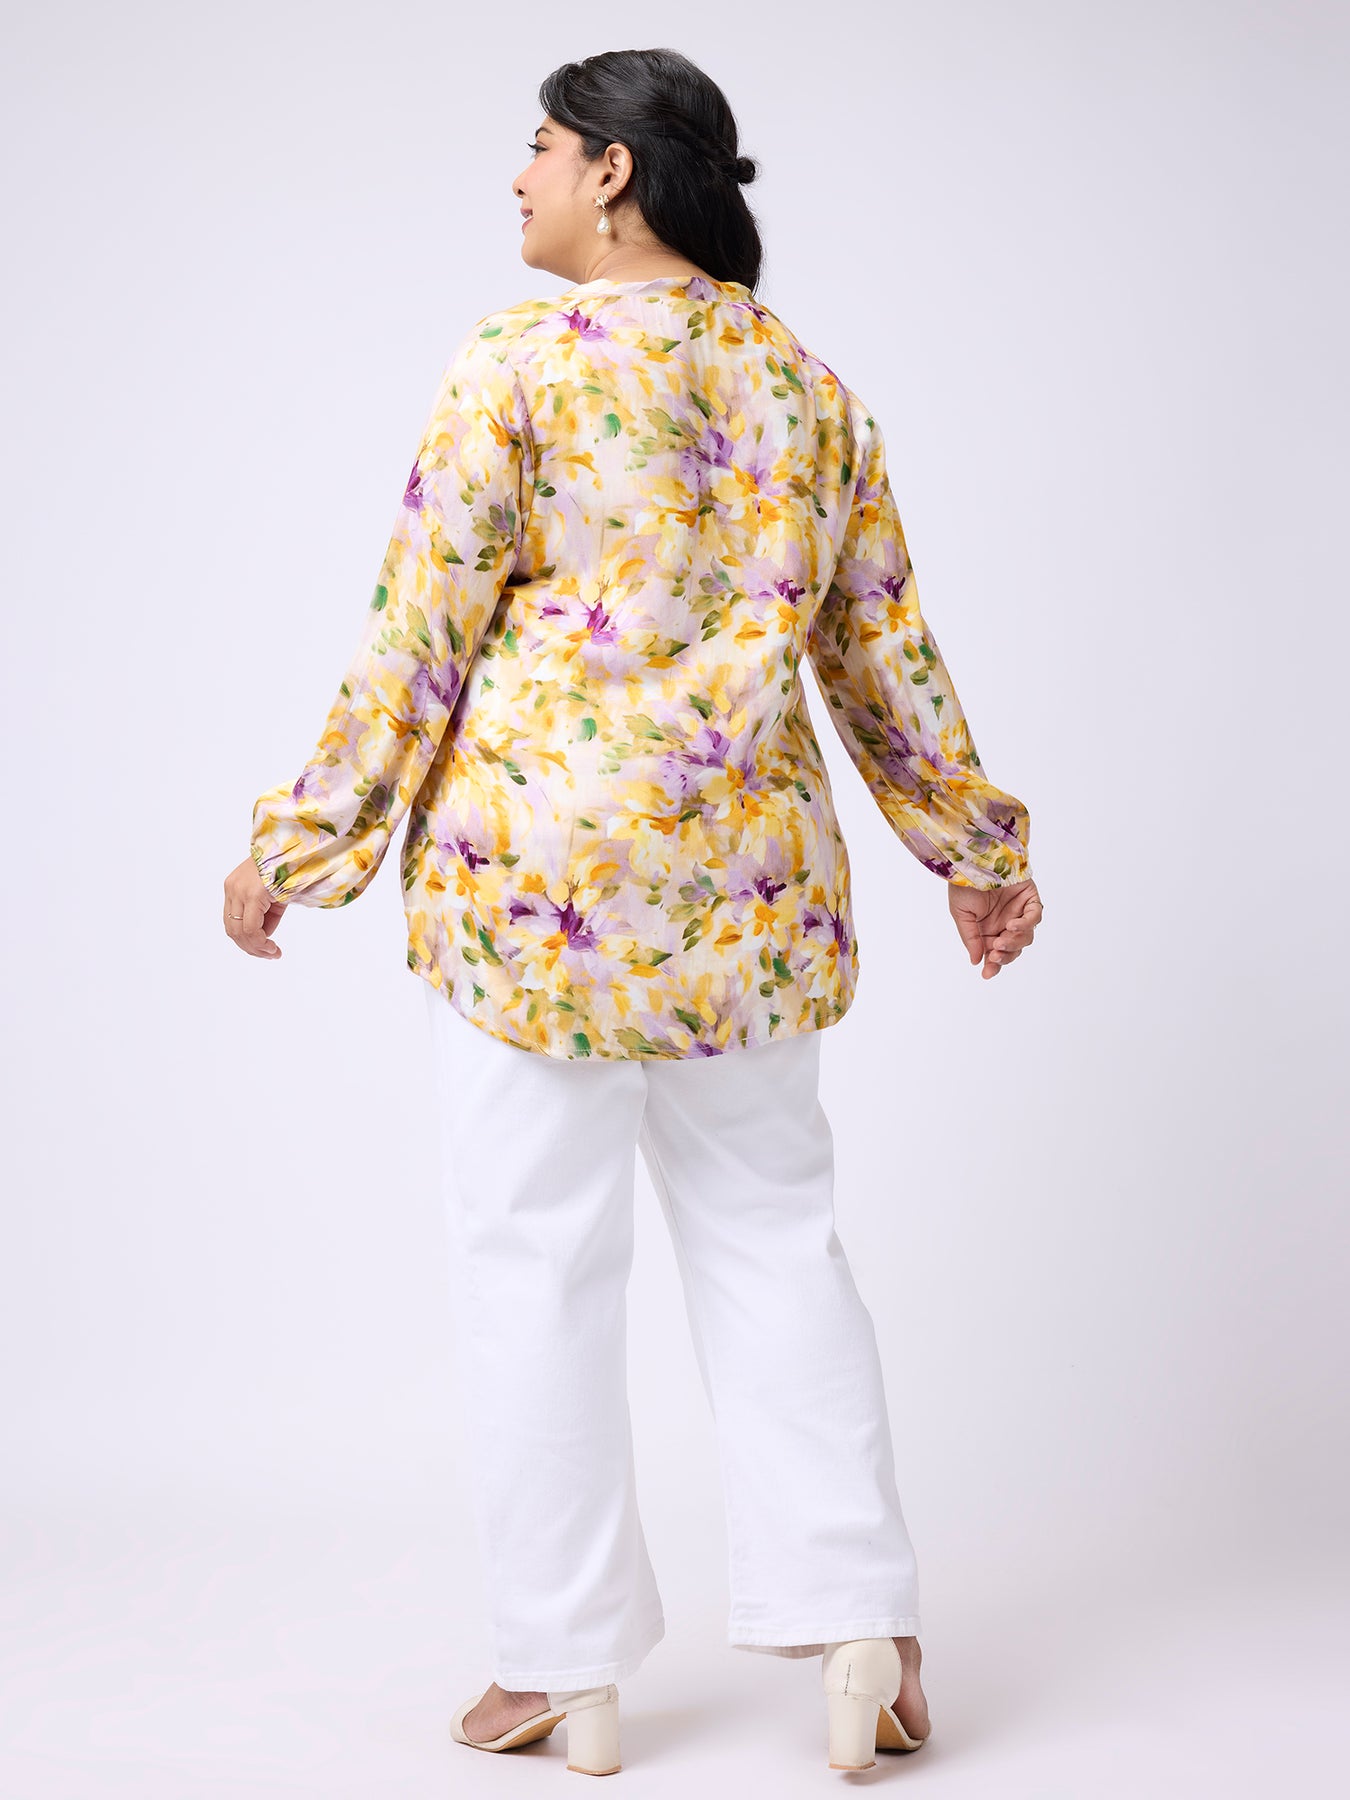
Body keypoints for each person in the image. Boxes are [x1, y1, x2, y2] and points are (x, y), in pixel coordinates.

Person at [224, 46, 1042, 1776]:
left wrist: (302, 842)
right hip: (745, 901)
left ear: (610, 171)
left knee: (533, 1262)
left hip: (538, 897)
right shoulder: (807, 386)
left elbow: (419, 631)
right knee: (776, 1242)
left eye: (535, 146)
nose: (515, 176)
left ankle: (563, 1665)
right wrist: (972, 849)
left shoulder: (518, 361)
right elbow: (879, 649)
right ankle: (863, 1629)